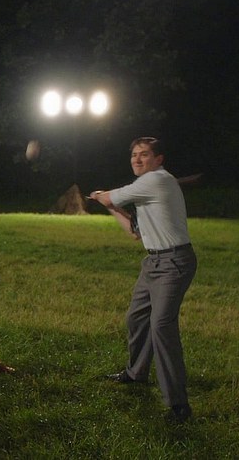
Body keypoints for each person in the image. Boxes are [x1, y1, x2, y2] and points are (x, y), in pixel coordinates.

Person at [88, 136, 197, 424]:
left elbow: (112, 196)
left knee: (161, 325)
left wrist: (102, 196)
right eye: (134, 154)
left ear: (158, 159)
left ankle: (178, 404)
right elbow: (134, 232)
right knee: (136, 318)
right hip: (153, 262)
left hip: (174, 262)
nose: (137, 159)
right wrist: (109, 205)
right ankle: (136, 373)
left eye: (144, 154)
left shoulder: (156, 180)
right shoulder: (146, 189)